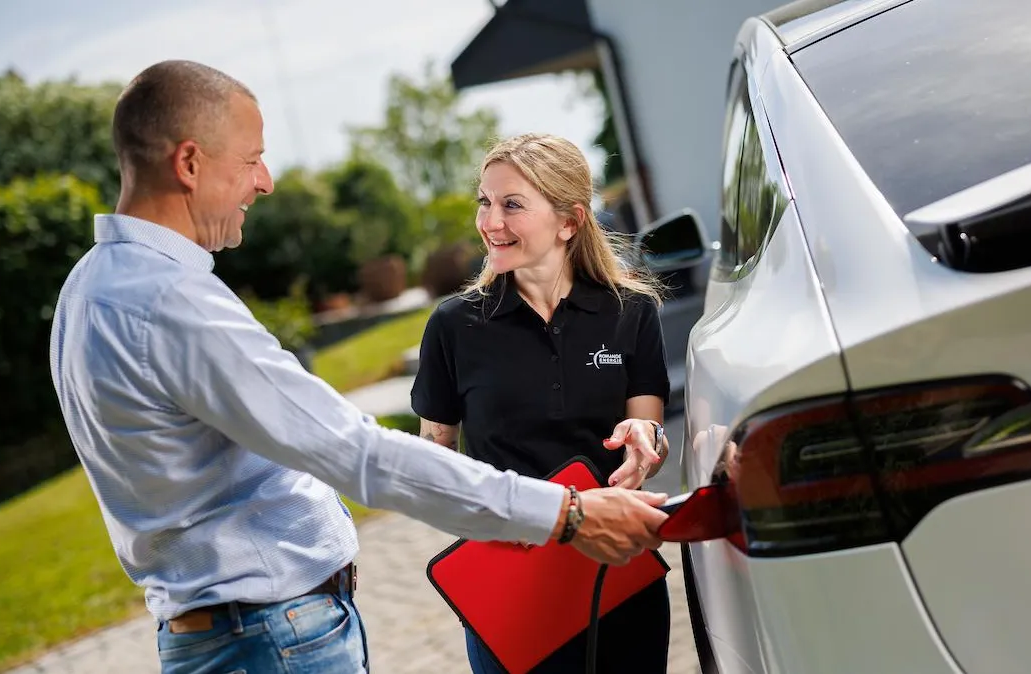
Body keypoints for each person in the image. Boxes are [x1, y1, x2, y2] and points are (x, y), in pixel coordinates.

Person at [48, 60, 669, 674]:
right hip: (270, 639)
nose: (264, 181)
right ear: (188, 163)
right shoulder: (170, 303)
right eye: (251, 158)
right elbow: (356, 452)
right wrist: (568, 514)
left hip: (227, 634)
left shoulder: (88, 289)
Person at [411, 133, 674, 673]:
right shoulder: (453, 326)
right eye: (484, 201)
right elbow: (435, 458)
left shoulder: (631, 312)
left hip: (615, 572)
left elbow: (646, 427)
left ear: (570, 222)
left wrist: (647, 442)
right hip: (511, 589)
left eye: (512, 204)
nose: (490, 222)